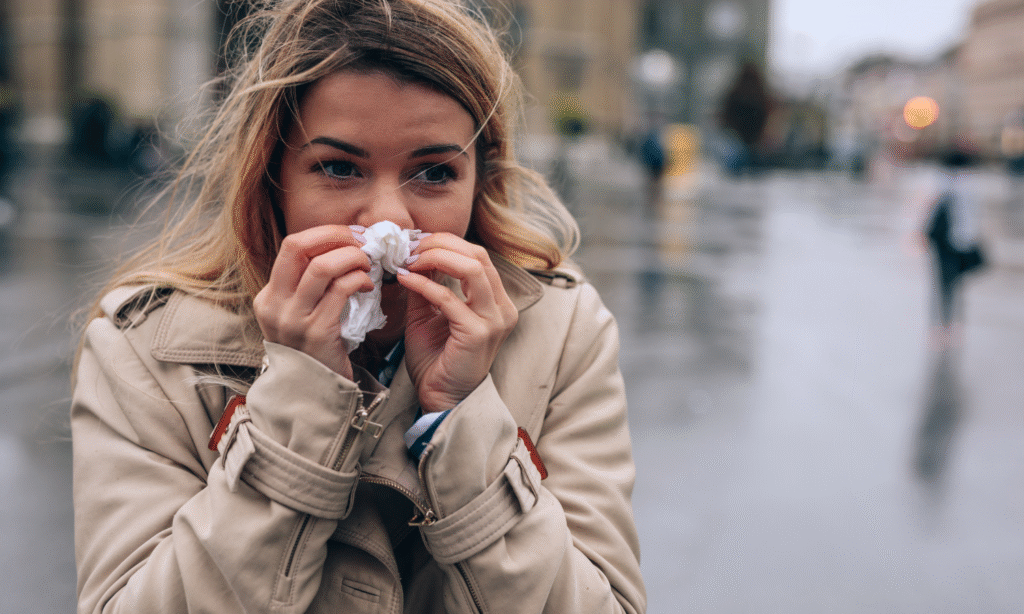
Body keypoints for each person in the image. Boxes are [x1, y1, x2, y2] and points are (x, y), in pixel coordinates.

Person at [70, 1, 646, 613]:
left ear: (480, 180)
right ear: (272, 177)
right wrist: (299, 400)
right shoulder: (145, 350)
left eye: (434, 173)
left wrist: (463, 420)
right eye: (339, 168)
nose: (388, 220)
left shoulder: (563, 333)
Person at [924, 148, 986, 350]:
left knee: (943, 285)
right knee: (952, 285)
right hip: (958, 241)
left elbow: (932, 210)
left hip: (944, 241)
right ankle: (949, 325)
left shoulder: (946, 185)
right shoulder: (967, 186)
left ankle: (943, 325)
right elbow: (971, 218)